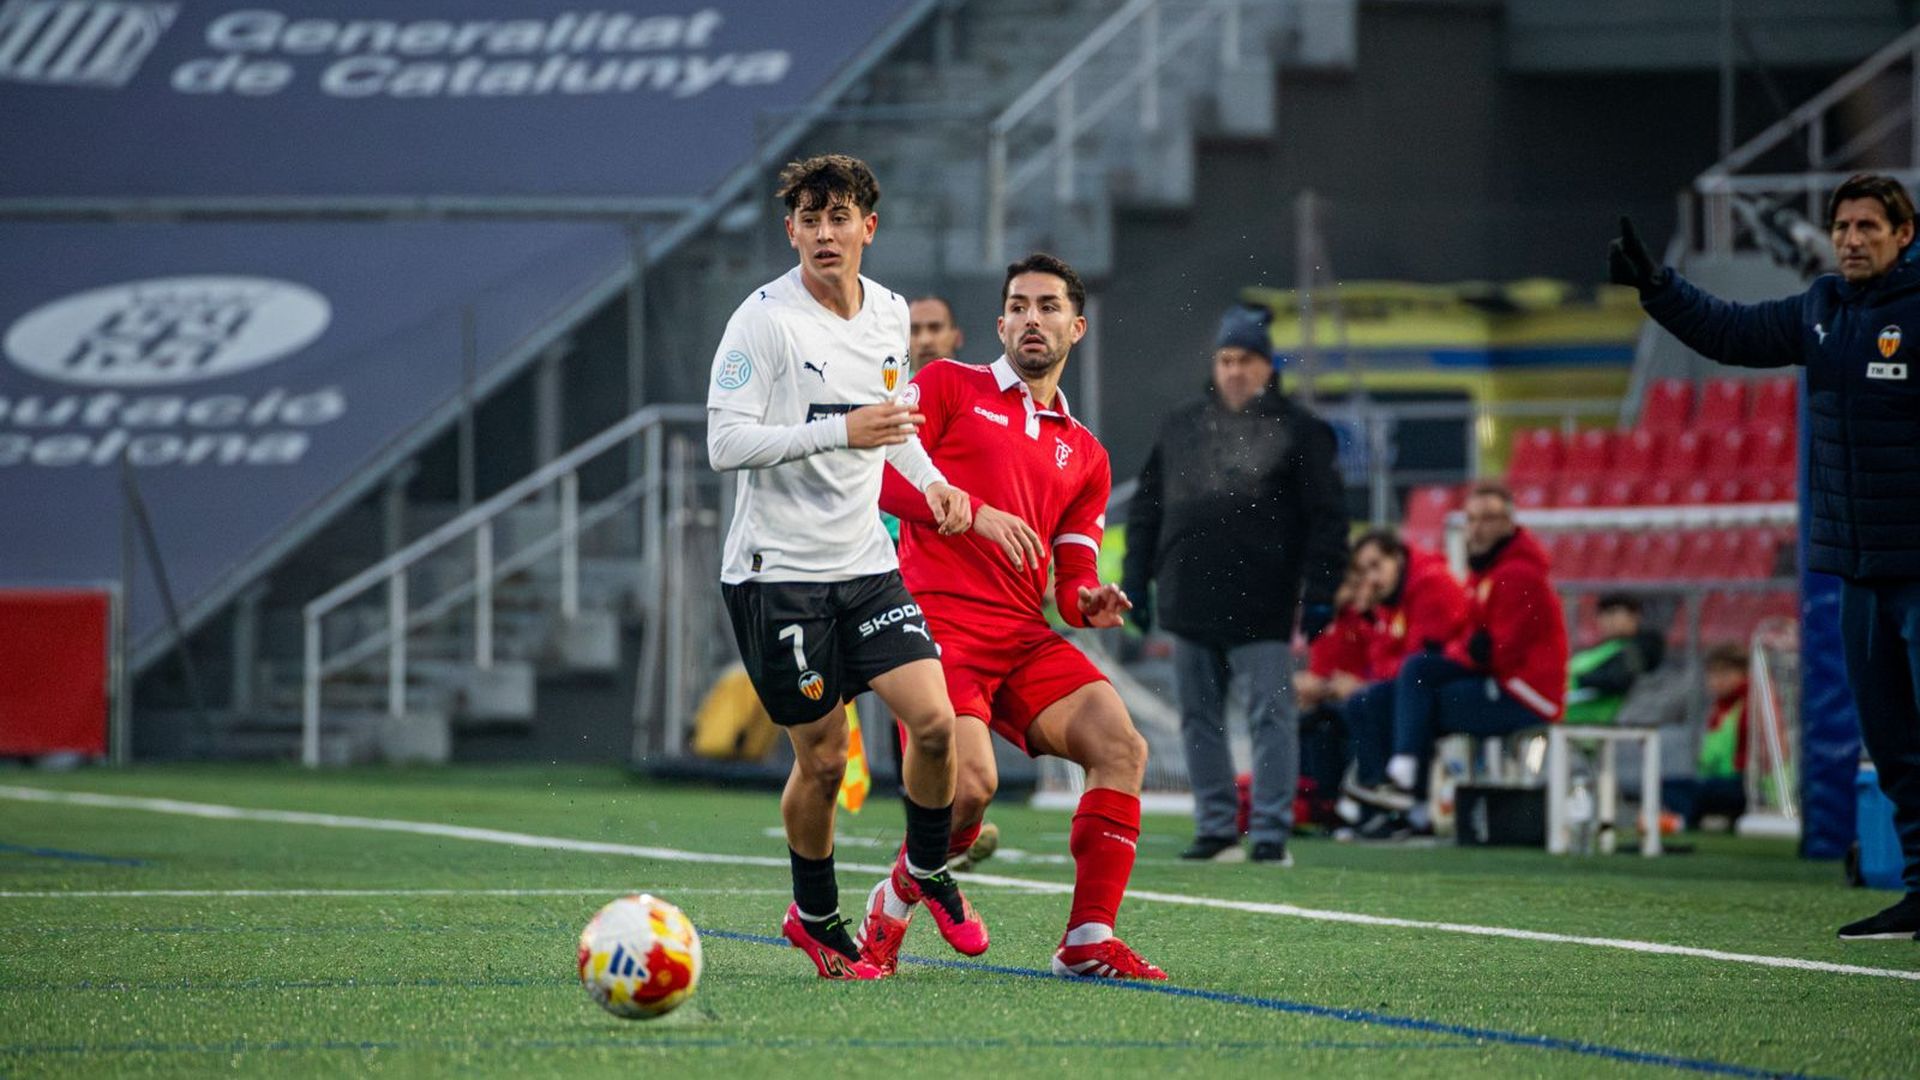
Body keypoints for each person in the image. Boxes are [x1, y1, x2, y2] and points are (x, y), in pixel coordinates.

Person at [1609, 172, 1920, 940]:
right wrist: (1658, 288)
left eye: (1867, 228)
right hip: (1859, 569)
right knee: (1896, 746)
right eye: (1842, 227)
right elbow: (1733, 332)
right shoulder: (1821, 310)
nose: (1851, 240)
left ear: (1904, 236)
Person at [706, 153, 985, 980]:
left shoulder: (892, 314)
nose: (826, 234)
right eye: (810, 219)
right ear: (790, 230)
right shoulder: (762, 322)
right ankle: (816, 911)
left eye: (842, 218)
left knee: (934, 724)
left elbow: (896, 423)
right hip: (776, 574)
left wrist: (936, 487)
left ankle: (927, 867)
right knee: (824, 763)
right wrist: (839, 431)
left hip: (865, 564)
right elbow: (725, 443)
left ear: (869, 227)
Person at [857, 252, 1166, 980]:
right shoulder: (948, 386)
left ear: (1076, 326)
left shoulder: (1086, 454)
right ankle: (897, 899)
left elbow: (1072, 581)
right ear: (999, 324)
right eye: (1020, 306)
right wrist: (967, 511)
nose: (1034, 317)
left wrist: (1090, 602)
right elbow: (874, 474)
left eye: (1049, 306)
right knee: (970, 790)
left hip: (1023, 635)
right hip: (935, 627)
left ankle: (1086, 939)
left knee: (1122, 749)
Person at [1121, 302, 1349, 865]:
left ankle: (1270, 831)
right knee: (1200, 717)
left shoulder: (1301, 431)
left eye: (1246, 360)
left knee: (1270, 717)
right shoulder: (1180, 426)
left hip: (1264, 600)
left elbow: (1329, 519)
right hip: (1188, 595)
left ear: (1268, 366)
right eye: (1225, 360)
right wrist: (1136, 580)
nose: (1234, 371)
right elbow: (1148, 510)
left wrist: (1321, 590)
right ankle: (1217, 825)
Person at [1364, 484, 1567, 830]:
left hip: (1526, 693)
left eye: (1488, 518)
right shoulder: (1485, 573)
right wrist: (1468, 650)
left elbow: (1501, 650)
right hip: (1499, 681)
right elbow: (1472, 640)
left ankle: (1408, 792)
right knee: (1388, 694)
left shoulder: (1516, 574)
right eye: (1472, 519)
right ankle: (1404, 792)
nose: (1477, 527)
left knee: (1420, 693)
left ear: (1508, 522)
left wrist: (1468, 652)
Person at [1340, 528, 1470, 833]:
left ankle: (1405, 794)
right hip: (1423, 684)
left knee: (1371, 699)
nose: (1371, 578)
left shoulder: (1430, 583)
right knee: (1361, 702)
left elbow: (1418, 658)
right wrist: (1371, 617)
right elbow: (1382, 661)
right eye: (1363, 570)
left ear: (1397, 558)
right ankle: (1379, 804)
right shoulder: (1392, 600)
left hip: (1456, 678)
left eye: (1376, 565)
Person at [1663, 643, 1751, 831]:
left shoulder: (1750, 704)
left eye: (1725, 674)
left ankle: (1689, 823)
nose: (1718, 681)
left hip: (1742, 783)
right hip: (1719, 780)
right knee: (1669, 787)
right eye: (1713, 675)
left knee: (1689, 792)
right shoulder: (1720, 708)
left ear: (1745, 674)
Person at [1563, 593, 1667, 726]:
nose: (1607, 620)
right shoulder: (1603, 648)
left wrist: (1577, 680)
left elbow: (1616, 677)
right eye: (1603, 615)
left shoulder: (1639, 648)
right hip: (1567, 716)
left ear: (1634, 616)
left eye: (1614, 613)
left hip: (1586, 722)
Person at [909, 294, 965, 372]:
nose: (924, 340)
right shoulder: (894, 384)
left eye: (935, 328)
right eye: (914, 331)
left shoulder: (979, 383)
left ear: (957, 338)